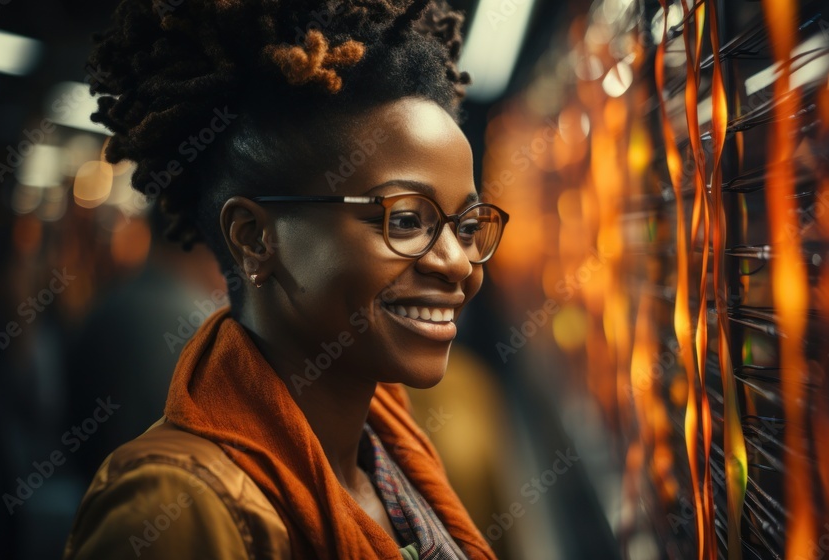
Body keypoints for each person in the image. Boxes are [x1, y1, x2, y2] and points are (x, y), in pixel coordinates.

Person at [62, 1, 509, 559]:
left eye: (466, 225)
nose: (458, 263)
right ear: (254, 238)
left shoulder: (391, 456)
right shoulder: (176, 507)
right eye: (404, 220)